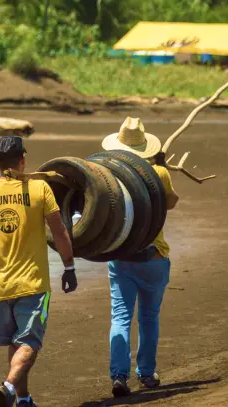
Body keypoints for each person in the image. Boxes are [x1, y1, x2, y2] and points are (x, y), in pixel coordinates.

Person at [0, 136, 78, 407]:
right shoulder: (40, 190)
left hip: (1, 287)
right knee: (29, 343)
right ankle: (7, 387)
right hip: (33, 284)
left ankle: (23, 398)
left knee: (16, 343)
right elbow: (60, 231)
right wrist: (69, 266)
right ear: (23, 159)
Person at [102, 117, 179, 397]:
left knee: (120, 318)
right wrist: (163, 172)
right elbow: (170, 202)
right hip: (154, 255)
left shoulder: (108, 171)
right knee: (149, 318)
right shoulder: (159, 171)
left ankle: (119, 376)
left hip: (121, 254)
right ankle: (146, 373)